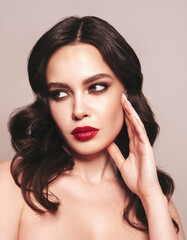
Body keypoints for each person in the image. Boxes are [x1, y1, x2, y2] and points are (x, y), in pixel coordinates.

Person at [0, 16, 185, 240]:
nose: (78, 110)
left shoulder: (157, 203)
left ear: (126, 90)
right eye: (60, 93)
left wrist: (152, 198)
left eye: (96, 87)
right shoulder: (12, 184)